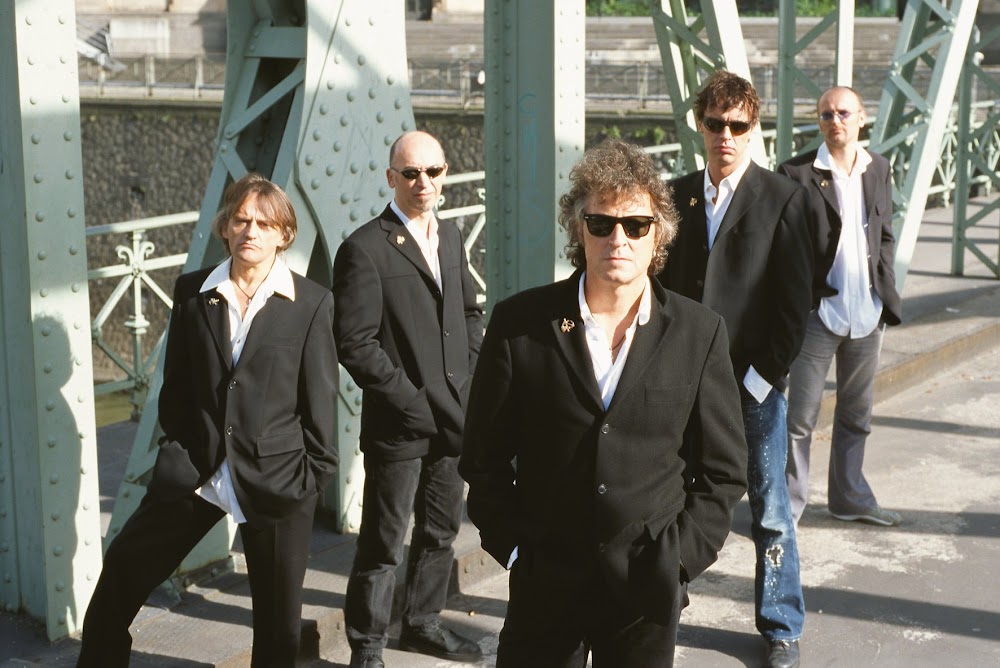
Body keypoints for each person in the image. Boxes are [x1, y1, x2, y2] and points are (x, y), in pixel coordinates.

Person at [460, 138, 749, 667]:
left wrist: (678, 561)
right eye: (601, 223)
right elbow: (483, 456)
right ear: (579, 229)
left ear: (658, 234)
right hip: (545, 585)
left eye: (636, 225)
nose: (619, 238)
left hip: (646, 591)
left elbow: (724, 471)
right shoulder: (519, 324)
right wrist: (515, 548)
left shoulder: (699, 333)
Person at [77, 173, 339, 667]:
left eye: (264, 223)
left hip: (277, 478)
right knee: (122, 571)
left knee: (278, 627)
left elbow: (320, 402)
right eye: (241, 220)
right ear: (224, 227)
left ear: (284, 235)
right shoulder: (193, 292)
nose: (250, 231)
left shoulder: (310, 304)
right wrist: (176, 449)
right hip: (198, 469)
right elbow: (175, 385)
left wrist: (310, 478)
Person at [657, 71, 813, 668]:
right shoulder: (674, 197)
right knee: (668, 498)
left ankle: (781, 626)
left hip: (753, 387)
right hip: (680, 381)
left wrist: (758, 381)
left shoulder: (784, 198)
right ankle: (663, 600)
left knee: (770, 511)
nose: (726, 134)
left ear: (754, 129)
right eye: (715, 123)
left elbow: (793, 305)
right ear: (700, 125)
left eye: (738, 125)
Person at [333, 131, 484, 668]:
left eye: (433, 172)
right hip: (400, 422)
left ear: (445, 174)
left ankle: (422, 624)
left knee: (441, 531)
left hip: (453, 414)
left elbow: (469, 312)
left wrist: (469, 376)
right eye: (411, 173)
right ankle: (367, 646)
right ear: (391, 178)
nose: (424, 183)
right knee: (383, 540)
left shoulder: (451, 236)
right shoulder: (364, 248)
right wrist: (412, 401)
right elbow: (355, 344)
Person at [779, 86, 903, 527]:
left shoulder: (878, 168)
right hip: (819, 314)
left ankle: (848, 498)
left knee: (856, 415)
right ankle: (787, 508)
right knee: (800, 420)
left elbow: (884, 233)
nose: (835, 121)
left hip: (867, 312)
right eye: (826, 114)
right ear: (819, 121)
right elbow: (784, 248)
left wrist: (884, 288)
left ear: (862, 118)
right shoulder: (797, 173)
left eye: (844, 113)